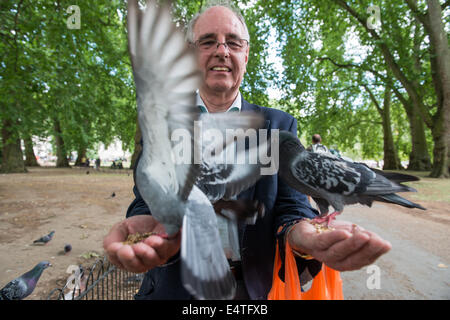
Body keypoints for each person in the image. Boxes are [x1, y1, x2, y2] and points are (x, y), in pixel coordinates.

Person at [103, 2, 391, 300]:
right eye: (207, 41)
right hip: (174, 289)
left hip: (251, 292)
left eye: (233, 42)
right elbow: (146, 197)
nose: (222, 51)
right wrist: (149, 228)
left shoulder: (278, 126)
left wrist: (303, 234)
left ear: (246, 53)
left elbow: (291, 205)